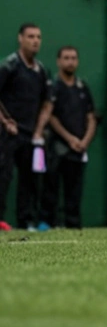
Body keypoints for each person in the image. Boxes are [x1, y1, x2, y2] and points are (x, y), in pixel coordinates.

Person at [0, 24, 54, 232]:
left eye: (38, 37)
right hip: (7, 134)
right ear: (20, 39)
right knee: (3, 177)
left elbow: (47, 103)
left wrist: (39, 131)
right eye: (30, 36)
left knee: (29, 179)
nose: (35, 40)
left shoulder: (41, 71)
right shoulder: (9, 65)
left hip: (31, 135)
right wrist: (5, 122)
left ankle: (26, 222)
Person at [40, 46, 97, 229]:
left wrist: (84, 141)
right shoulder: (53, 86)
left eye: (73, 58)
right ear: (58, 61)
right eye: (66, 58)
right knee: (51, 188)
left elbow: (91, 117)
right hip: (56, 147)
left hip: (79, 149)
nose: (70, 61)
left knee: (75, 190)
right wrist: (69, 138)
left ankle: (73, 225)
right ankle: (47, 223)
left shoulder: (83, 87)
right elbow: (50, 115)